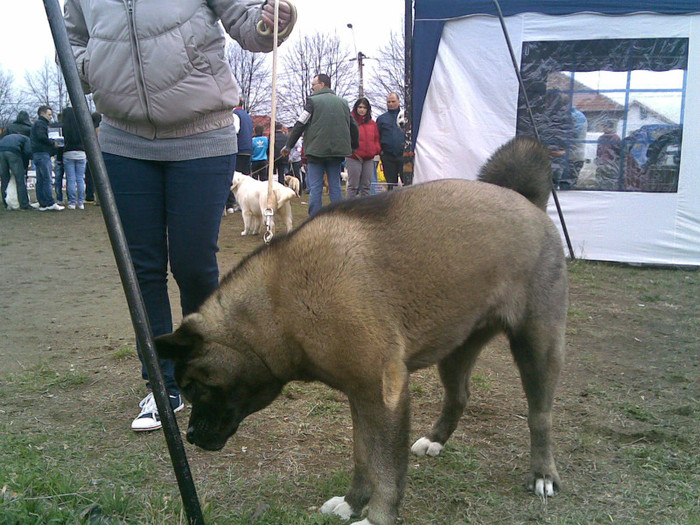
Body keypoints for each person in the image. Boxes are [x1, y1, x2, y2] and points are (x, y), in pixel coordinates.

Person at [65, 0, 295, 432]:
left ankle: (206, 371)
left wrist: (271, 23)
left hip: (202, 136)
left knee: (193, 264)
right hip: (122, 140)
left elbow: (249, 28)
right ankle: (162, 383)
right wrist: (94, 66)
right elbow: (73, 37)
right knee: (141, 269)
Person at [282, 73, 358, 215]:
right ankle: (339, 217)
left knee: (316, 187)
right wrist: (353, 146)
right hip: (337, 152)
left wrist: (288, 146)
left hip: (316, 152)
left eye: (313, 86)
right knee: (335, 186)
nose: (312, 89)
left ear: (322, 85)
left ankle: (315, 219)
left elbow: (300, 124)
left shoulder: (312, 101)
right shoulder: (343, 103)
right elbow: (353, 126)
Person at [345, 97, 381, 199]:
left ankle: (365, 211)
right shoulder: (349, 122)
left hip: (368, 159)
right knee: (353, 186)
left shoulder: (373, 124)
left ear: (368, 109)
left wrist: (375, 150)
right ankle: (348, 210)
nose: (362, 110)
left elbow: (376, 139)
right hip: (353, 157)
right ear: (356, 108)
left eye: (364, 107)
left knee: (366, 187)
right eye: (360, 107)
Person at [30, 105, 63, 211]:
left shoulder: (36, 124)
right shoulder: (41, 124)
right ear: (42, 113)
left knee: (40, 179)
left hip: (37, 154)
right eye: (49, 115)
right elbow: (41, 137)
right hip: (43, 154)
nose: (50, 117)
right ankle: (50, 202)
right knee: (47, 179)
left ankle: (43, 203)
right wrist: (53, 143)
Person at [376, 92, 406, 190]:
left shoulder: (406, 116)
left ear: (398, 101)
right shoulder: (381, 119)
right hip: (388, 157)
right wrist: (381, 151)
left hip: (404, 156)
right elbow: (377, 136)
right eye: (388, 102)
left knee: (407, 183)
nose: (391, 104)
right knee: (391, 185)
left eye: (393, 101)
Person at [61, 107, 87, 209]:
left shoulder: (64, 127)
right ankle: (80, 202)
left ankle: (72, 202)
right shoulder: (82, 126)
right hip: (81, 153)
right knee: (80, 179)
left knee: (71, 179)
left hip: (68, 153)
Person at [0, 133, 35, 210]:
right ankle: (24, 204)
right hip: (13, 152)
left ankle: (6, 203)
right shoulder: (27, 139)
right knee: (20, 179)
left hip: (1, 151)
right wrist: (25, 166)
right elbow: (28, 152)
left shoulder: (9, 136)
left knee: (4, 178)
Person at [595, 121, 622, 190]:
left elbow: (619, 152)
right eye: (603, 126)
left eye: (605, 126)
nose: (603, 128)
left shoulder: (615, 138)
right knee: (600, 182)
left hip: (610, 164)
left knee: (610, 182)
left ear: (610, 127)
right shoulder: (601, 138)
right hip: (602, 164)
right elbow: (599, 151)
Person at [84, 112, 102, 205]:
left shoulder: (90, 129)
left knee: (90, 177)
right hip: (102, 154)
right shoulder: (103, 129)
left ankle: (90, 196)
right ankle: (99, 199)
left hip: (92, 155)